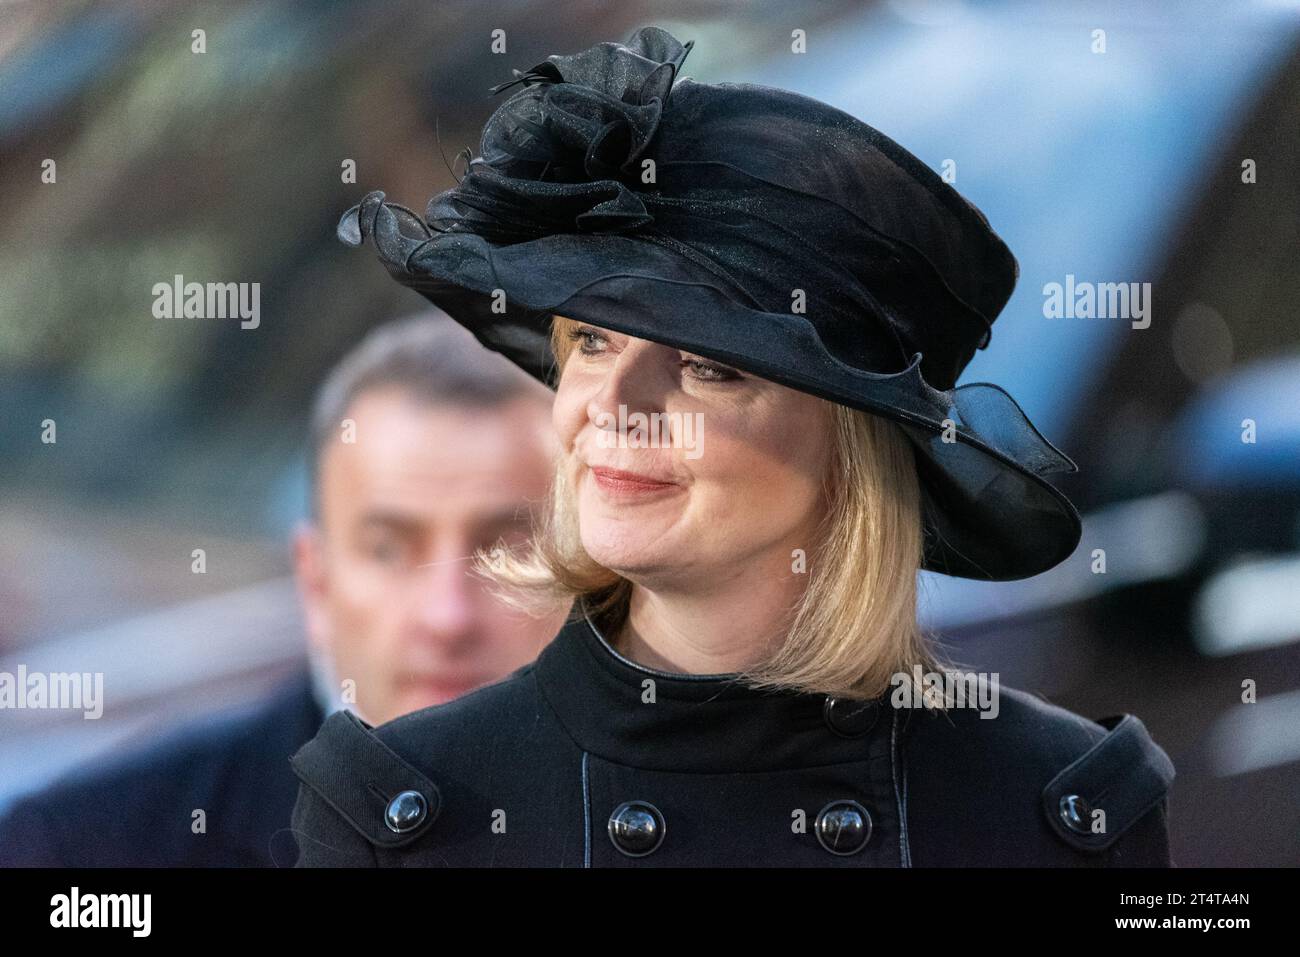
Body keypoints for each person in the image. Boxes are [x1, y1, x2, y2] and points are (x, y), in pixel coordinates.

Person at [288, 26, 1175, 867]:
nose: (612, 405)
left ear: (851, 445)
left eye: (708, 366)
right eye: (593, 341)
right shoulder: (406, 812)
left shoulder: (1057, 808)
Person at [0, 312, 562, 866]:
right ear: (315, 580)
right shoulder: (83, 852)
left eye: (509, 550)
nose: (446, 616)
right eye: (387, 550)